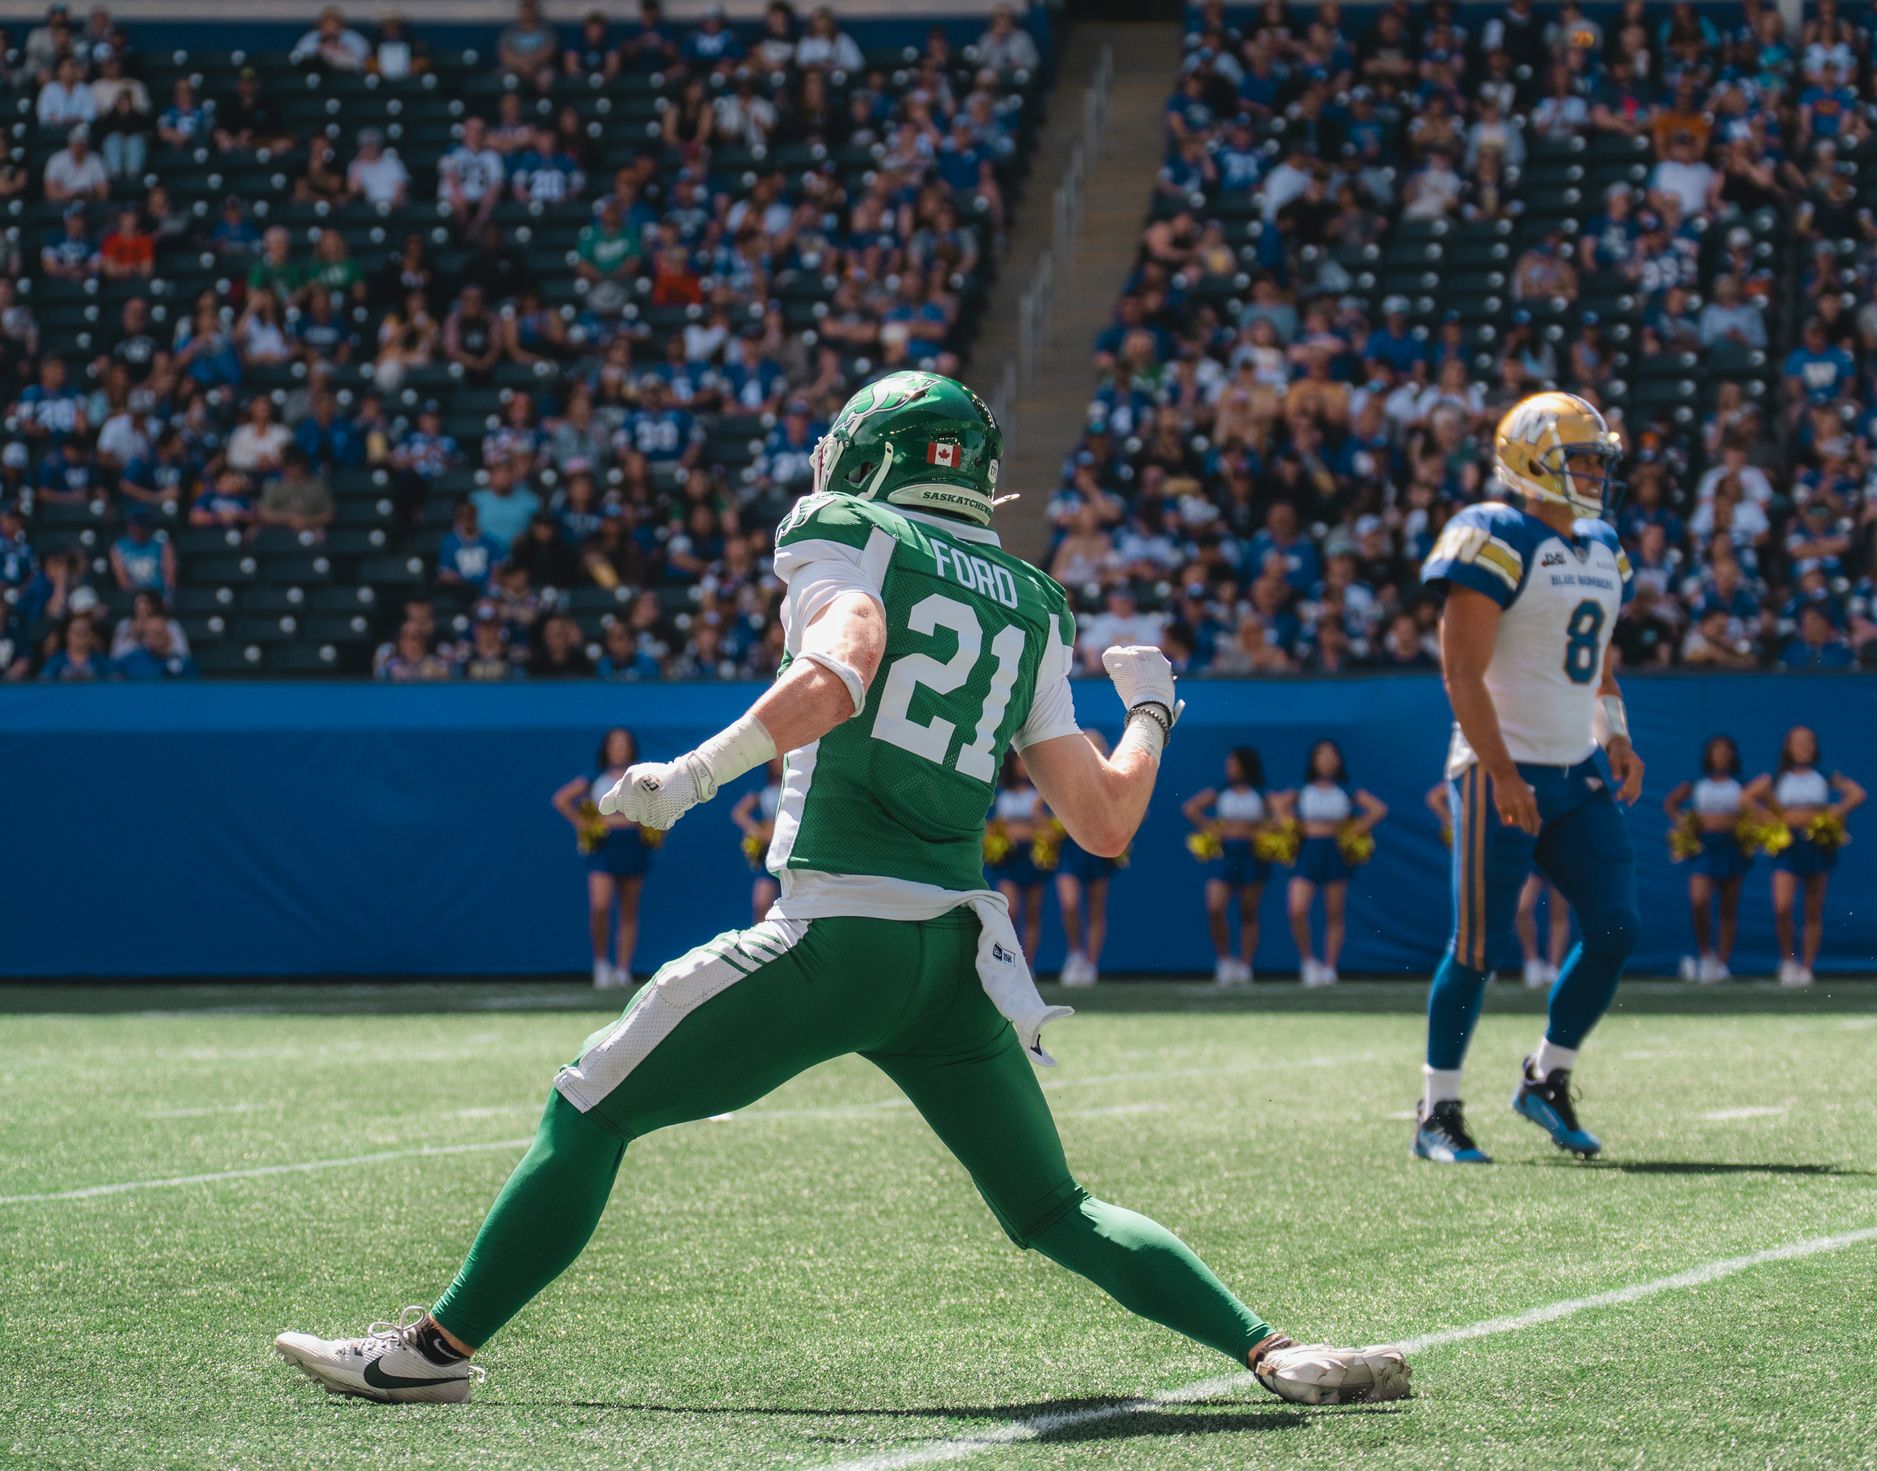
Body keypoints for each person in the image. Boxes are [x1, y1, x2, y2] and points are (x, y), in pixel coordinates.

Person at [273, 369, 1409, 1410]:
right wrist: (1154, 712)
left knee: (588, 1107)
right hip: (952, 962)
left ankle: (432, 1353)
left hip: (837, 939)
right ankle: (1272, 1351)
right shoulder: (1033, 601)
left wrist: (696, 774)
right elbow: (1105, 821)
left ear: (875, 455)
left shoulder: (847, 529)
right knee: (1054, 1209)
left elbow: (841, 664)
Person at [1414, 391, 1644, 1165]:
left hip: (1574, 766)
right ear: (1530, 460)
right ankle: (1437, 1107)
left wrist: (1614, 732)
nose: (1591, 472)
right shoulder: (1492, 533)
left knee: (1616, 927)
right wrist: (1503, 771)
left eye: (1595, 459)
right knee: (1479, 945)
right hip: (1496, 766)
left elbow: (1597, 653)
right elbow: (1461, 669)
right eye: (1579, 457)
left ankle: (1546, 1077)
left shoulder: (1604, 545)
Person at [1744, 726, 1865, 986]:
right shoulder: (1777, 777)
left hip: (1816, 845)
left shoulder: (1825, 775)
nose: (1803, 747)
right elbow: (1746, 798)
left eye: (1808, 741)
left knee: (1812, 909)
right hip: (1788, 846)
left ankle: (1807, 967)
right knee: (1783, 907)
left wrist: (1834, 813)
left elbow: (1857, 794)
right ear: (1788, 747)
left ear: (1815, 746)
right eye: (1798, 742)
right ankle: (1788, 961)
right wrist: (1769, 819)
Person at [1274, 739, 1386, 987]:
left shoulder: (1346, 788)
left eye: (1331, 755)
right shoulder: (1302, 787)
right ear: (1314, 760)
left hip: (1335, 851)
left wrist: (1355, 829)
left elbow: (1378, 809)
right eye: (1322, 756)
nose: (1327, 760)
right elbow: (1279, 805)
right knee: (1297, 909)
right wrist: (1293, 826)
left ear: (1338, 760)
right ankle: (1307, 961)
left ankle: (1330, 967)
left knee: (1334, 912)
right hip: (1307, 851)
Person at [551, 727, 649, 989]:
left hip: (633, 845)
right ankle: (601, 964)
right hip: (604, 847)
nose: (619, 749)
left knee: (629, 909)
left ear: (631, 748)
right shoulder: (594, 777)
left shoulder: (641, 775)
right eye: (614, 744)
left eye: (624, 744)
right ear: (606, 749)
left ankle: (623, 969)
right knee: (600, 906)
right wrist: (584, 823)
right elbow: (561, 799)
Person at [1182, 746, 1283, 985]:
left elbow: (1279, 819)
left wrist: (1263, 831)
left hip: (1252, 855)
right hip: (1225, 854)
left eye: (1233, 764)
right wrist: (1212, 828)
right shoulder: (1221, 790)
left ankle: (1246, 966)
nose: (1229, 768)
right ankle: (1225, 960)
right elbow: (1190, 807)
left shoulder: (1260, 793)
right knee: (1215, 907)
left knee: (1248, 911)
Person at [1663, 735, 1752, 984]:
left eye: (1726, 751)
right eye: (1716, 751)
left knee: (1728, 906)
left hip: (1732, 847)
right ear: (1709, 755)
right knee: (1699, 900)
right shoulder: (1698, 782)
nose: (1721, 755)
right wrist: (1684, 824)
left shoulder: (1741, 783)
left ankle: (1723, 963)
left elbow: (1757, 803)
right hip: (1704, 848)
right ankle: (1705, 954)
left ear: (1732, 755)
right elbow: (1671, 802)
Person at [1055, 729, 1119, 988]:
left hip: (1098, 849)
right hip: (1071, 849)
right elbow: (1043, 806)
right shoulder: (1066, 777)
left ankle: (1091, 964)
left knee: (1095, 908)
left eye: (1096, 747)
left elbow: (1134, 810)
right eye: (1086, 747)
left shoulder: (1112, 779)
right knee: (1069, 904)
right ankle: (1075, 954)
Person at [987, 751, 1048, 963]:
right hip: (1009, 860)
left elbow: (1046, 830)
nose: (1022, 767)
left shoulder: (1040, 795)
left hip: (1033, 860)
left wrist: (1031, 822)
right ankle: (1010, 962)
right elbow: (995, 828)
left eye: (1026, 763)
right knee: (1009, 911)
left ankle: (1028, 964)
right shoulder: (1002, 795)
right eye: (1018, 763)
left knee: (1032, 914)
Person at [729, 758, 783, 923]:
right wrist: (758, 832)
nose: (778, 762)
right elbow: (739, 813)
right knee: (761, 904)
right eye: (775, 759)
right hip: (770, 857)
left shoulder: (801, 784)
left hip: (795, 855)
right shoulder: (762, 789)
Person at [1513, 874, 1570, 990]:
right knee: (1521, 909)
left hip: (1563, 861)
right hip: (1535, 861)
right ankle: (1532, 962)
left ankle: (1554, 968)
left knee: (1559, 913)